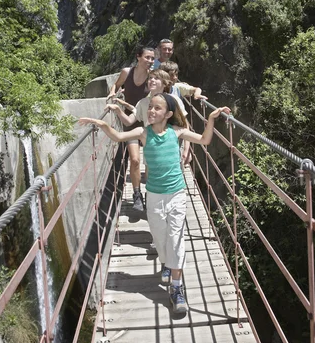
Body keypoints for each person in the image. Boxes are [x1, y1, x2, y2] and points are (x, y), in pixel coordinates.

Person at [78, 95, 230, 314]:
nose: (151, 111)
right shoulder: (143, 133)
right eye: (150, 107)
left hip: (177, 193)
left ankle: (177, 289)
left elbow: (205, 140)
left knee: (176, 238)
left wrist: (212, 119)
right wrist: (100, 123)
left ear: (168, 114)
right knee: (160, 239)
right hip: (155, 196)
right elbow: (118, 136)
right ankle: (167, 264)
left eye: (157, 108)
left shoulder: (177, 131)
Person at [106, 68, 190, 165]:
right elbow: (128, 121)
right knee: (149, 176)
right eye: (150, 78)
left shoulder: (173, 100)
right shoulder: (143, 102)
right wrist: (118, 110)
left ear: (165, 83)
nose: (152, 80)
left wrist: (186, 149)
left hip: (171, 149)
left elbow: (184, 124)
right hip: (151, 149)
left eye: (156, 78)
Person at [106, 45, 155, 211]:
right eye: (147, 57)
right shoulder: (127, 72)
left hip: (148, 122)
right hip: (130, 121)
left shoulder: (152, 78)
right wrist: (113, 93)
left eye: (152, 58)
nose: (150, 61)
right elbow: (116, 85)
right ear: (138, 57)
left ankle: (150, 192)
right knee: (134, 160)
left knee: (149, 163)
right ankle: (136, 194)